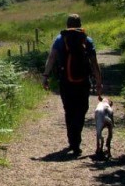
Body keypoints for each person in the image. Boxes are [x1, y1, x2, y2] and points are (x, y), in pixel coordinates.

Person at [42, 14, 103, 156]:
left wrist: (45, 76)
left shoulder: (59, 39)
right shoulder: (86, 39)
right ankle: (76, 140)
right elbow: (94, 63)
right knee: (81, 110)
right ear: (80, 24)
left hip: (65, 80)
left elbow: (51, 58)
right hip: (83, 81)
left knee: (69, 110)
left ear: (67, 25)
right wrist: (99, 82)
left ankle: (72, 140)